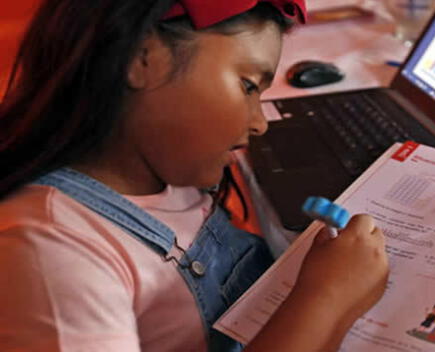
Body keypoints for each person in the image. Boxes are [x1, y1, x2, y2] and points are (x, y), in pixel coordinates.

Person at [0, 1, 390, 351]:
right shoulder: (50, 255)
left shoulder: (164, 174)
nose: (260, 123)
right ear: (142, 57)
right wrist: (326, 299)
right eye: (248, 85)